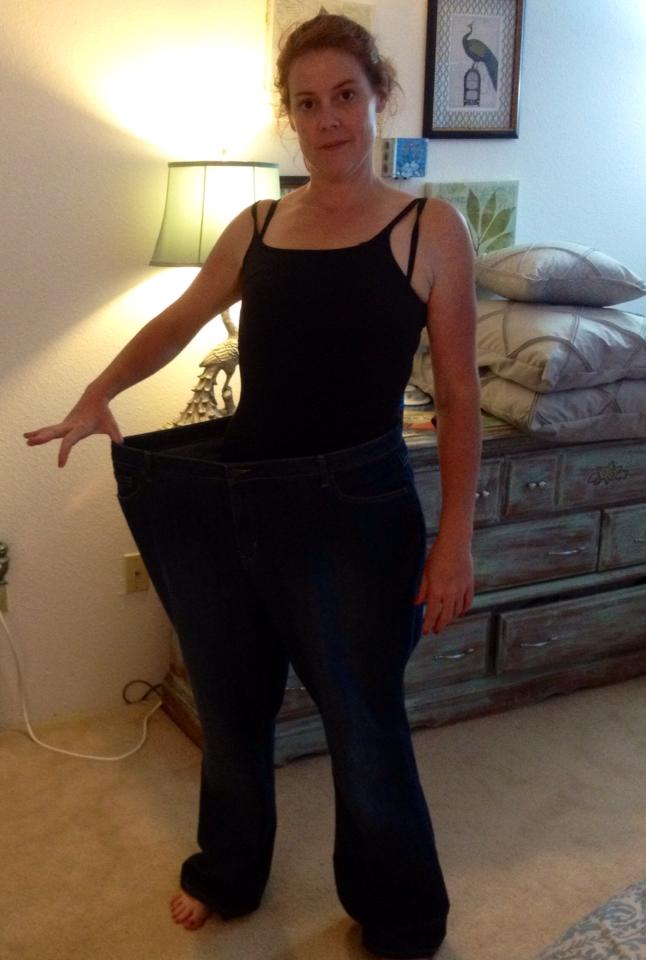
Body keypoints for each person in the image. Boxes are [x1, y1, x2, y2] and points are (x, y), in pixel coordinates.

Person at [24, 10, 481, 959]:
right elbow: (181, 320)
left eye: (345, 96)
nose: (328, 120)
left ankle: (400, 916)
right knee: (231, 711)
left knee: (364, 725)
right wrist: (98, 393)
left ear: (379, 97)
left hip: (358, 516)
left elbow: (462, 398)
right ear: (290, 117)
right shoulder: (260, 224)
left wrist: (455, 543)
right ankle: (228, 871)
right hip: (238, 503)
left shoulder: (431, 230)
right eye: (307, 104)